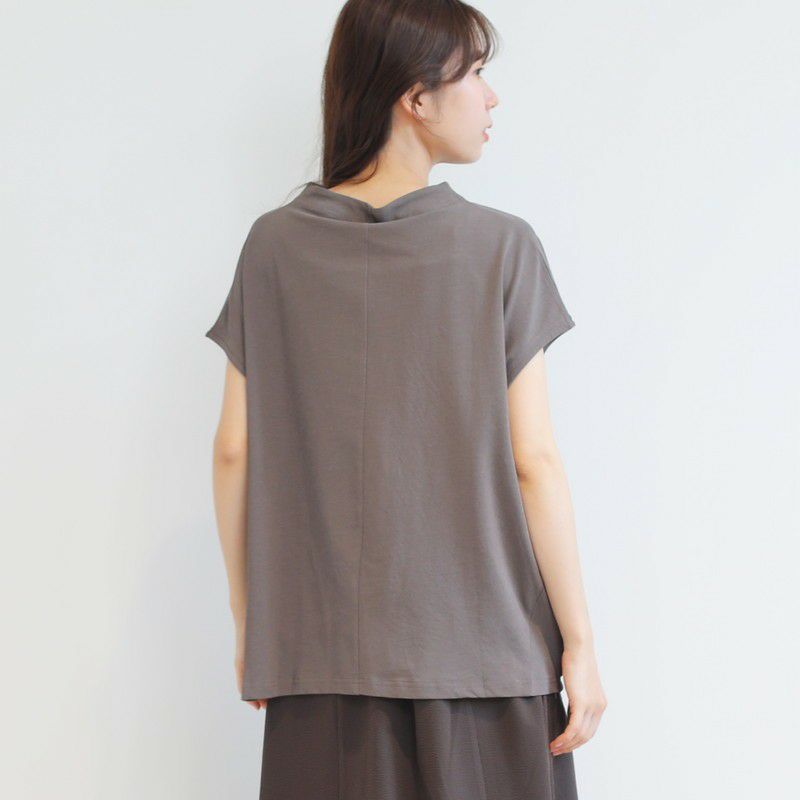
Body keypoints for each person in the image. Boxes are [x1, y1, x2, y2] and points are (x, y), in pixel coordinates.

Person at [205, 1, 607, 797]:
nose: (491, 96)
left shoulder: (272, 246)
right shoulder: (501, 247)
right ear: (416, 97)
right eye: (477, 73)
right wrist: (580, 644)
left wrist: (255, 626)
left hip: (320, 667)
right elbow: (533, 460)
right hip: (489, 663)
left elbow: (233, 450)